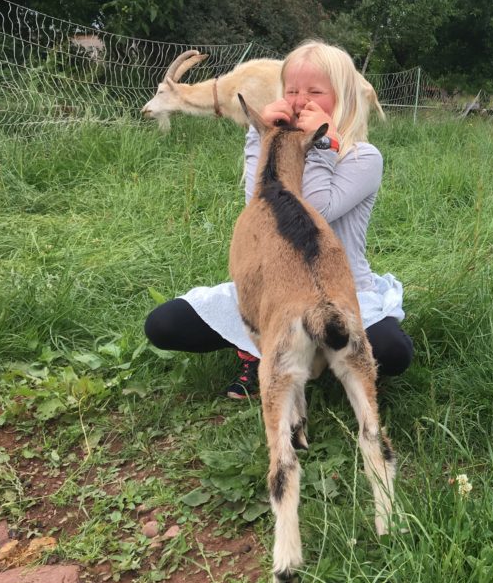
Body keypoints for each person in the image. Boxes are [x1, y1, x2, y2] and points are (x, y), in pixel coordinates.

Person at [145, 40, 413, 398]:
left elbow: (313, 211)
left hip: (337, 292)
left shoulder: (363, 157)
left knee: (392, 350)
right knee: (163, 324)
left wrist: (322, 146)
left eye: (315, 92)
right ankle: (266, 350)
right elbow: (260, 211)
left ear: (344, 97)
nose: (300, 101)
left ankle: (303, 354)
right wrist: (259, 136)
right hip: (275, 289)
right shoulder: (274, 142)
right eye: (291, 91)